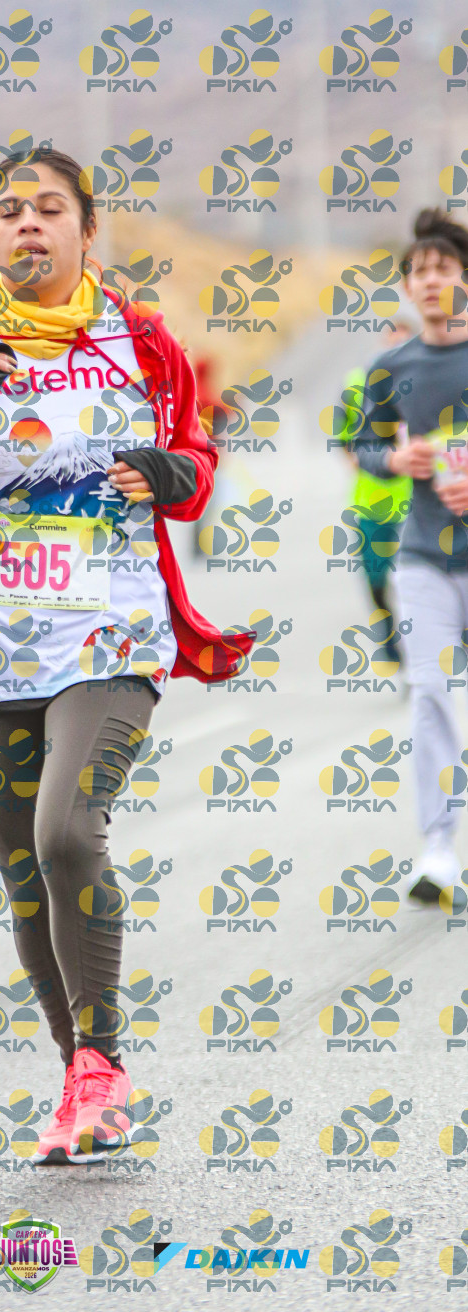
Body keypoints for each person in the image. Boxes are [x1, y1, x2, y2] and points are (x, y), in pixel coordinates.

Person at [0, 147, 252, 1163]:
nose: (26, 224)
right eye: (7, 211)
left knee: (67, 833)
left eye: (47, 209)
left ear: (86, 227)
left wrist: (175, 471)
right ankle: (83, 1081)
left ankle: (102, 1061)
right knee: (27, 876)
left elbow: (195, 462)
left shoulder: (140, 340)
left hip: (109, 629)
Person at [353, 208, 468, 904]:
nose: (429, 281)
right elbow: (363, 444)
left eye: (443, 268)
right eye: (418, 272)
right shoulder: (391, 367)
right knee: (430, 693)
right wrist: (394, 459)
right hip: (424, 557)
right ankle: (438, 850)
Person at [334, 324, 413, 668]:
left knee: (418, 579)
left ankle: (422, 646)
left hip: (416, 502)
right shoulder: (358, 382)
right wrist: (362, 459)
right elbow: (342, 435)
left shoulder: (427, 378)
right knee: (376, 579)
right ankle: (389, 637)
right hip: (371, 502)